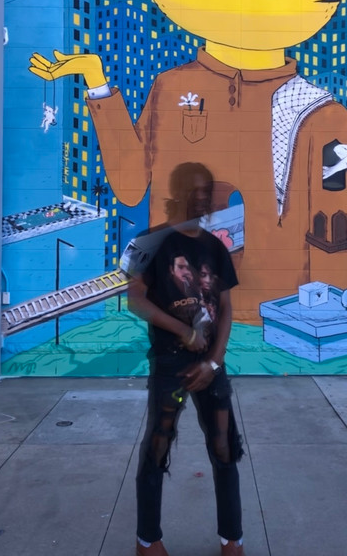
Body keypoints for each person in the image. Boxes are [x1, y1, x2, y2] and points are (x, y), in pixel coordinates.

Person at [128, 162, 245, 556]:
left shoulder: (216, 247)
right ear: (177, 193)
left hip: (211, 368)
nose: (201, 199)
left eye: (206, 192)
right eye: (194, 191)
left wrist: (213, 362)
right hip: (169, 365)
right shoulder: (150, 242)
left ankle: (232, 539)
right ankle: (148, 541)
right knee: (157, 447)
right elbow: (135, 299)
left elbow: (226, 309)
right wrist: (183, 331)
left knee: (224, 448)